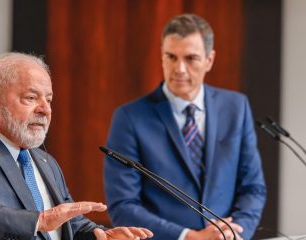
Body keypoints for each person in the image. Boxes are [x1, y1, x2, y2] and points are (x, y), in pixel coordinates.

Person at [0, 52, 154, 240]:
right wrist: (37, 221)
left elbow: (67, 222)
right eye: (31, 98)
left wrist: (100, 235)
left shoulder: (44, 161)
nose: (45, 109)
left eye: (49, 99)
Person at [104, 13, 266, 240]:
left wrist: (235, 231)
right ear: (161, 56)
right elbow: (123, 205)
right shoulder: (129, 118)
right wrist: (189, 236)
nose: (179, 69)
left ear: (209, 60)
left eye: (190, 59)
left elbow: (253, 187)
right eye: (171, 57)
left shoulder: (236, 107)